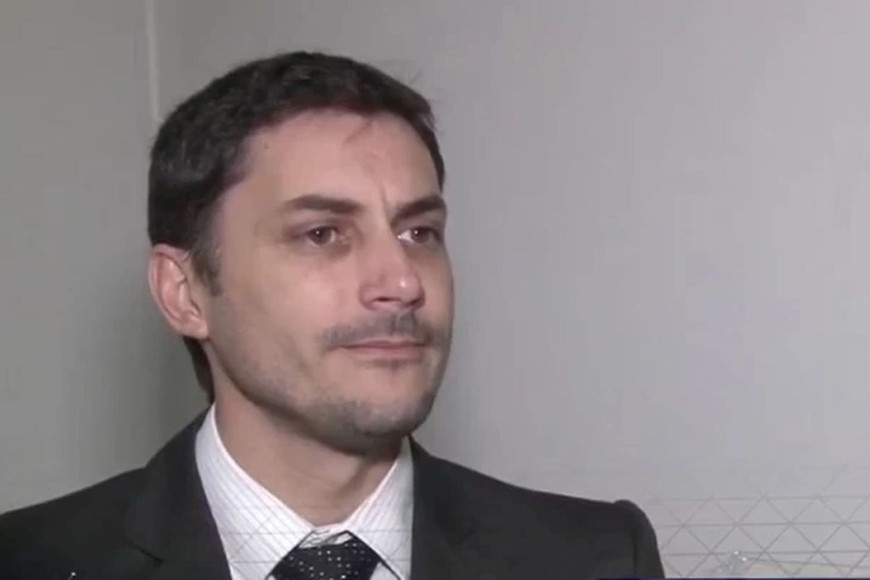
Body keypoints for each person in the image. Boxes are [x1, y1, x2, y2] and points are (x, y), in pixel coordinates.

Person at [0, 51, 664, 580]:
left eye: (419, 232)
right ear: (185, 292)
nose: (402, 282)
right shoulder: (30, 560)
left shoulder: (596, 559)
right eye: (322, 234)